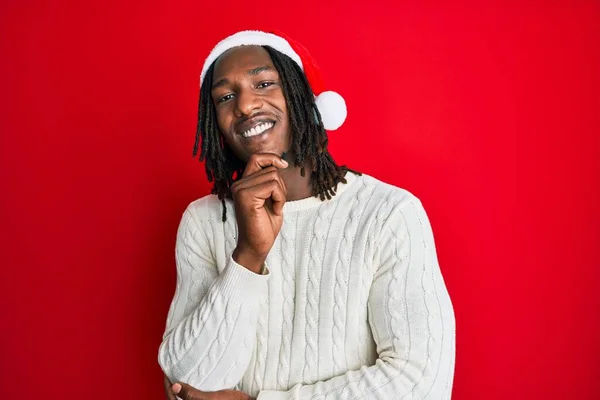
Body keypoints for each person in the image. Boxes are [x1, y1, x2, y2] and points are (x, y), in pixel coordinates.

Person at [158, 30, 456, 400]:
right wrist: (249, 255)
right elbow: (187, 382)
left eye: (264, 83)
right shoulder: (203, 221)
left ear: (305, 100)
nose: (246, 106)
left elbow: (420, 382)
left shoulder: (388, 213)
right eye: (226, 97)